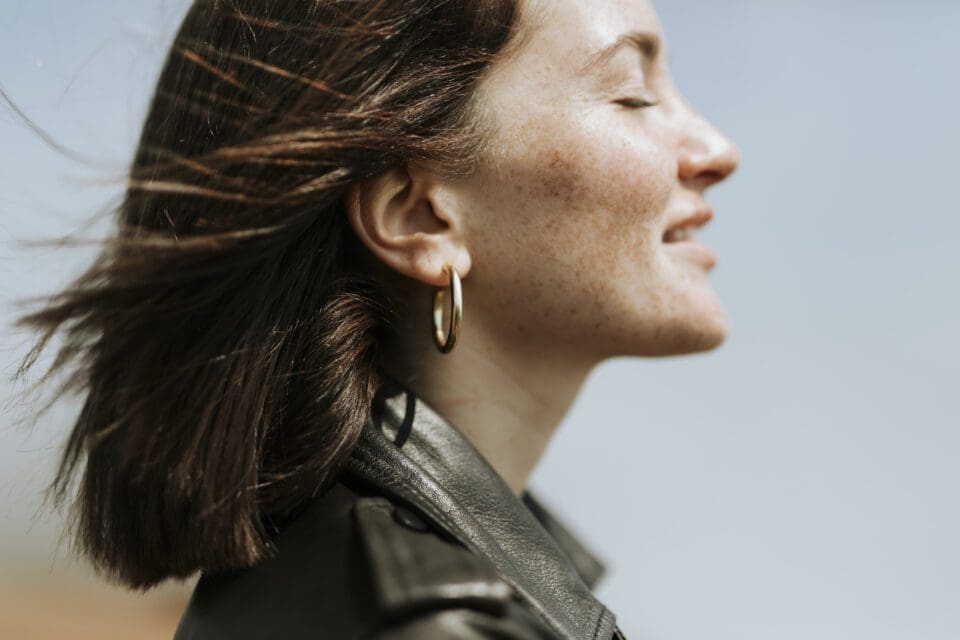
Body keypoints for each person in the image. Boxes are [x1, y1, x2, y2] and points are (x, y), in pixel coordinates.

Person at [14, 0, 738, 637]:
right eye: (634, 95)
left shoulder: (337, 584)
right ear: (420, 215)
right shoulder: (428, 624)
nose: (715, 150)